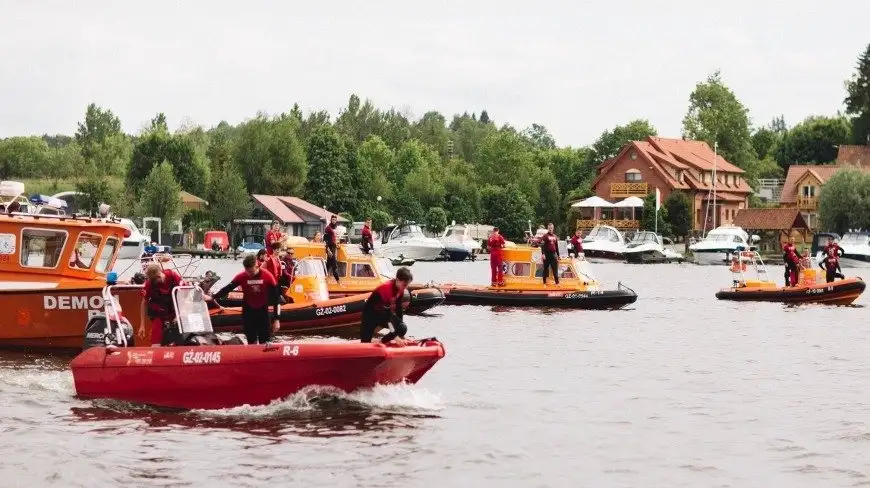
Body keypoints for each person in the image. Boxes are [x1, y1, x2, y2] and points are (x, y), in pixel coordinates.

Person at [208, 254, 281, 345]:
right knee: (251, 340)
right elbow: (227, 289)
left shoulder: (268, 276)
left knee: (264, 341)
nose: (249, 274)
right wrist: (212, 297)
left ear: (257, 266)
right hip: (248, 311)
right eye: (247, 271)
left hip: (262, 311)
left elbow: (276, 299)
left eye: (251, 271)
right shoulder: (242, 276)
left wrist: (276, 319)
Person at [360, 267, 413, 345]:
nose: (406, 287)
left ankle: (382, 341)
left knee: (402, 327)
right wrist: (395, 336)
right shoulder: (385, 289)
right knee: (365, 342)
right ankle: (379, 342)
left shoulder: (401, 289)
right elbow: (386, 316)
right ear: (397, 280)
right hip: (370, 315)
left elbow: (399, 310)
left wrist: (401, 335)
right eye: (405, 284)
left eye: (407, 284)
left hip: (383, 313)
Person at [141, 263, 186, 346]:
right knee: (156, 335)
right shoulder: (149, 284)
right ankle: (156, 350)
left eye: (156, 279)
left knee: (181, 332)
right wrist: (142, 325)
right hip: (159, 313)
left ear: (159, 274)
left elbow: (185, 293)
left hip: (175, 310)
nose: (156, 282)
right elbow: (144, 303)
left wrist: (179, 315)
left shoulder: (172, 276)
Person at [323, 215, 341, 283]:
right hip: (329, 248)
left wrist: (337, 245)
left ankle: (323, 278)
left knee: (328, 264)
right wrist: (328, 250)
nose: (334, 221)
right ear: (331, 220)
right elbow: (325, 240)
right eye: (333, 219)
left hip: (333, 247)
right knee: (334, 265)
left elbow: (334, 239)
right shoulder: (328, 228)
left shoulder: (335, 228)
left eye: (335, 220)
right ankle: (338, 281)